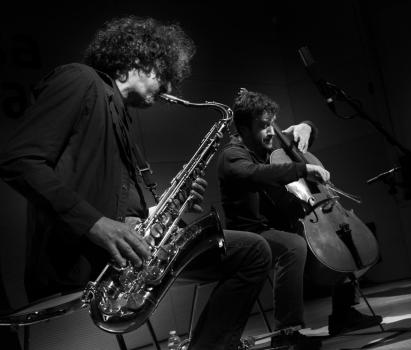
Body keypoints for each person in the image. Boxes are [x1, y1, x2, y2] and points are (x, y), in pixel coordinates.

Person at [0, 16, 271, 350]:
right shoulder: (79, 80)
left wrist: (164, 207)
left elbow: (113, 199)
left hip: (118, 256)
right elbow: (18, 161)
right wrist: (96, 224)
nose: (169, 89)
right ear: (138, 59)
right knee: (252, 251)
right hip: (81, 264)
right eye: (166, 75)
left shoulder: (119, 115)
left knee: (252, 251)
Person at [217, 88, 382, 349]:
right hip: (253, 233)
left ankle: (343, 313)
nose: (271, 132)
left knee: (341, 235)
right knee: (294, 245)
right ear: (244, 129)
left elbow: (302, 136)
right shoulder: (232, 155)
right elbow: (258, 174)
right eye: (263, 126)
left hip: (286, 221)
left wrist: (307, 126)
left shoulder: (270, 143)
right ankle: (285, 333)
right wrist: (302, 169)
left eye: (272, 124)